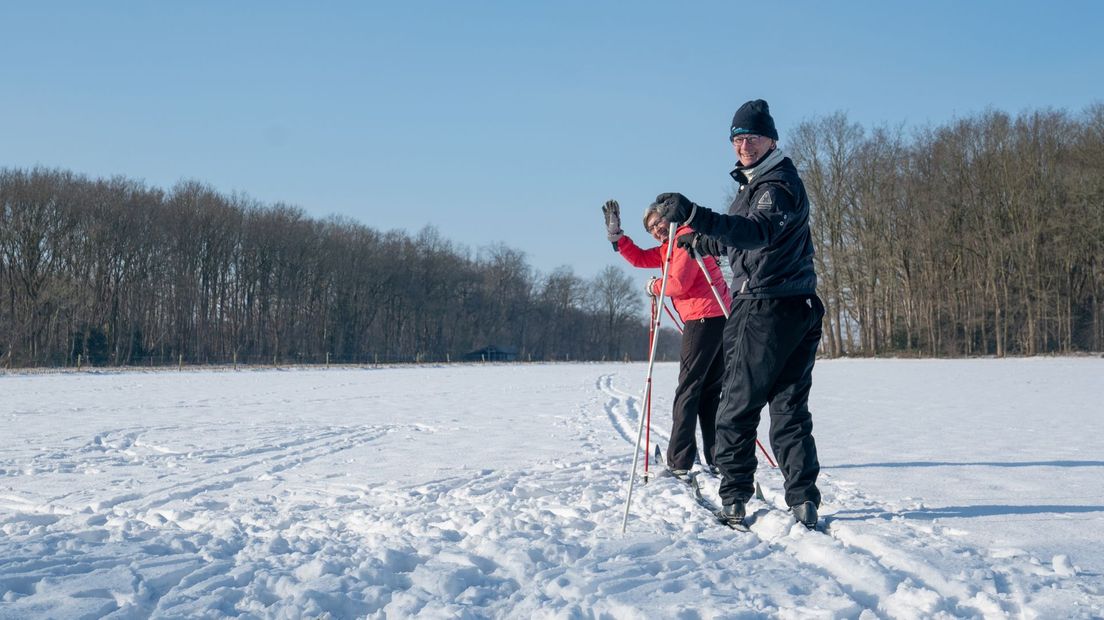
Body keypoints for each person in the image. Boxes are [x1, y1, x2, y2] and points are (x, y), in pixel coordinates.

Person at [651, 99, 826, 530]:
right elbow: (742, 240)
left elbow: (757, 231)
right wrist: (703, 241)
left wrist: (695, 215)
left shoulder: (775, 185)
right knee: (787, 406)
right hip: (797, 305)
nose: (743, 145)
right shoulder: (757, 185)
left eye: (751, 137)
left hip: (766, 306)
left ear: (771, 139)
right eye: (737, 138)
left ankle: (734, 497)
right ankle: (802, 499)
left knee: (736, 404)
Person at [601, 199, 730, 477]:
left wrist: (654, 286)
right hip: (716, 319)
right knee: (708, 393)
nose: (656, 230)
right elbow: (639, 258)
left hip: (703, 318)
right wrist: (618, 238)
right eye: (651, 228)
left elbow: (678, 284)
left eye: (659, 222)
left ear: (670, 219)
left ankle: (680, 460)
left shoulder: (683, 239)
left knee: (688, 391)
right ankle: (717, 456)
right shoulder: (669, 246)